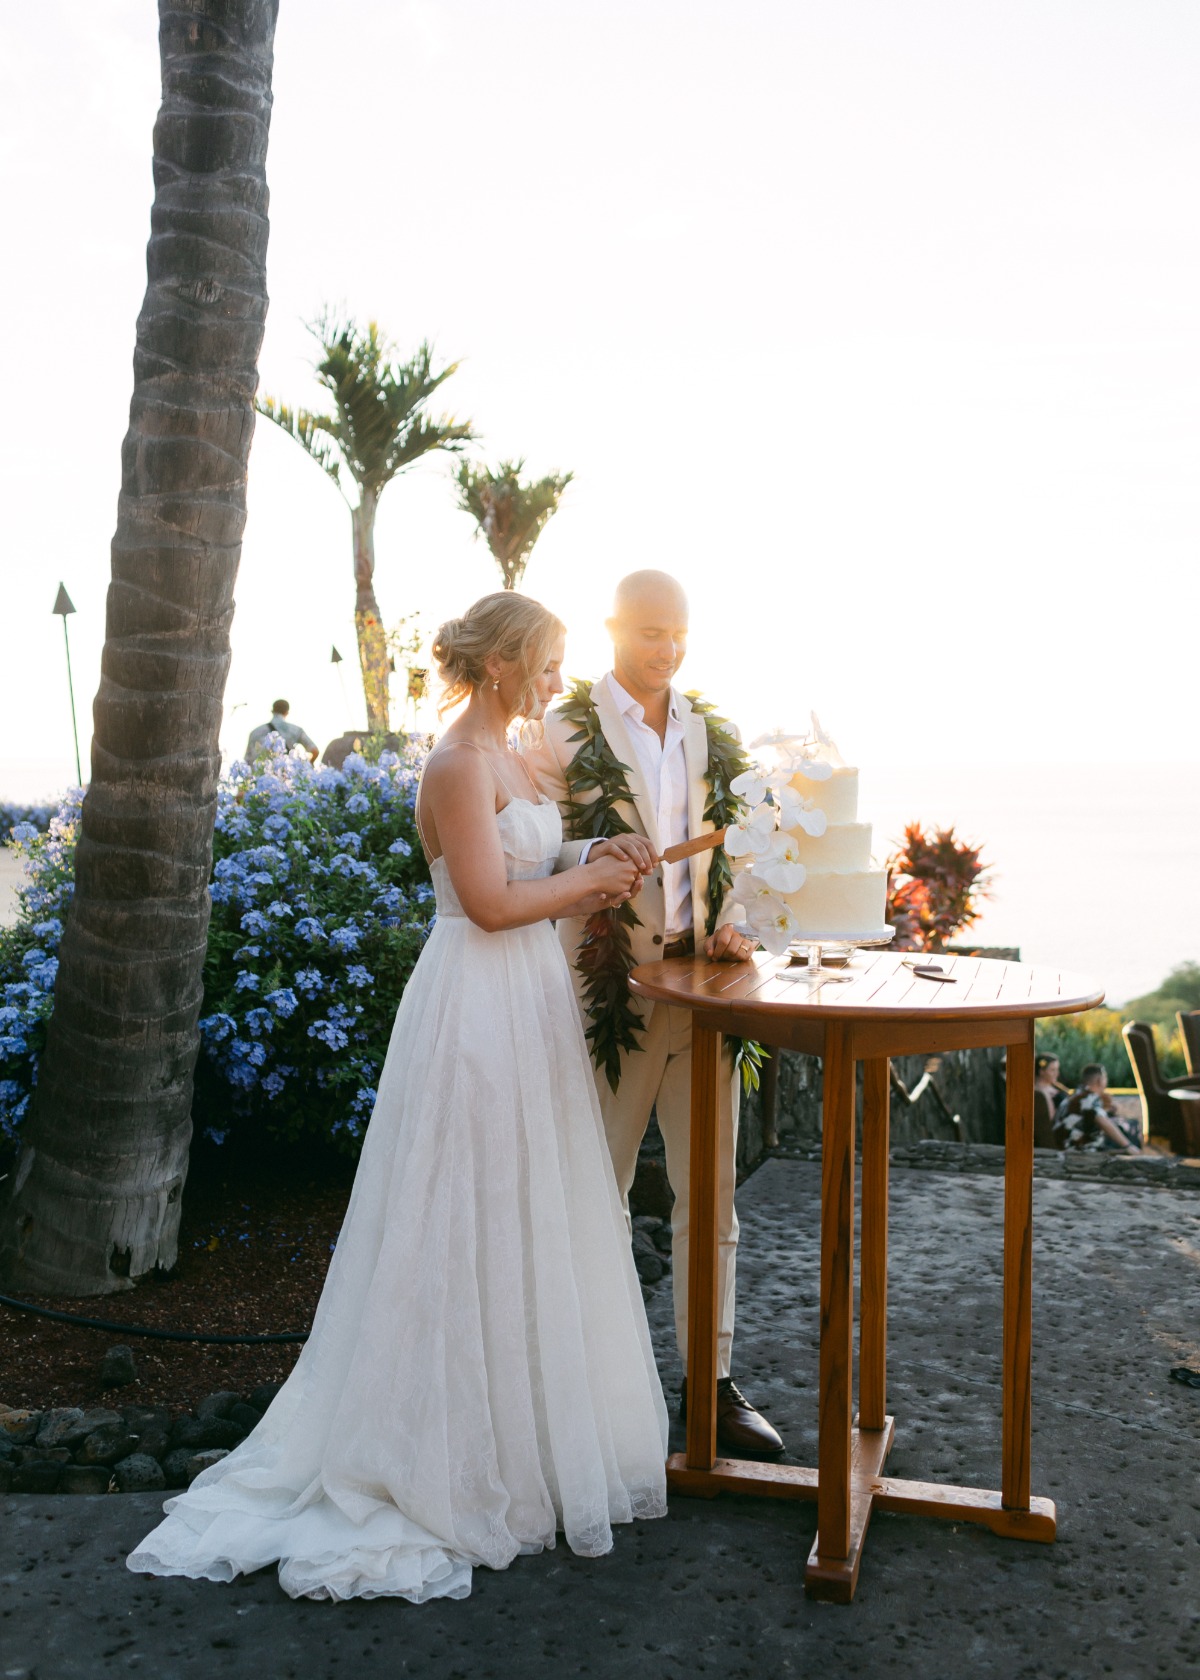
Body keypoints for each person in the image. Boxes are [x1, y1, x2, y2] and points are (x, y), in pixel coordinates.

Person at [129, 593, 668, 1602]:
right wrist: (587, 890)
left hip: (529, 1005)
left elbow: (530, 863)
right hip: (473, 999)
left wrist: (590, 855)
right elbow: (490, 902)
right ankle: (434, 1450)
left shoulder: (516, 759)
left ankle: (519, 1442)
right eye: (546, 665)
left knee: (522, 1208)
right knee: (456, 1213)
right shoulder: (457, 766)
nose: (557, 682)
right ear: (502, 666)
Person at [523, 569, 784, 1460]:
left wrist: (738, 922)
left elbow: (744, 853)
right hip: (610, 993)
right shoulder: (562, 728)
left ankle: (709, 1387)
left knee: (711, 1197)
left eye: (678, 633)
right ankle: (584, 1385)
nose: (666, 649)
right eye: (648, 633)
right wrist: (596, 848)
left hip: (705, 993)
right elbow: (524, 846)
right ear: (612, 629)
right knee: (597, 1189)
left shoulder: (714, 731)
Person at [1054, 1062, 1144, 1153]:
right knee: (1131, 1129)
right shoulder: (1089, 1098)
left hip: (1066, 1143)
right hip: (1076, 1147)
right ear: (1100, 1080)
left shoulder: (1077, 1095)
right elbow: (1102, 1121)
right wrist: (1128, 1146)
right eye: (1105, 1077)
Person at [245, 699, 319, 763]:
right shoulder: (296, 730)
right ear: (287, 712)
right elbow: (315, 751)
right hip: (285, 777)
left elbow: (247, 759)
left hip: (259, 777)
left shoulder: (255, 732)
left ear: (272, 711)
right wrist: (306, 767)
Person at [1033, 1053, 1067, 1149]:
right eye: (1052, 1070)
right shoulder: (1040, 1093)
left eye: (1057, 1069)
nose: (1057, 1073)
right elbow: (1050, 1119)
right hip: (1061, 1133)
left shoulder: (1056, 1086)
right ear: (1041, 1071)